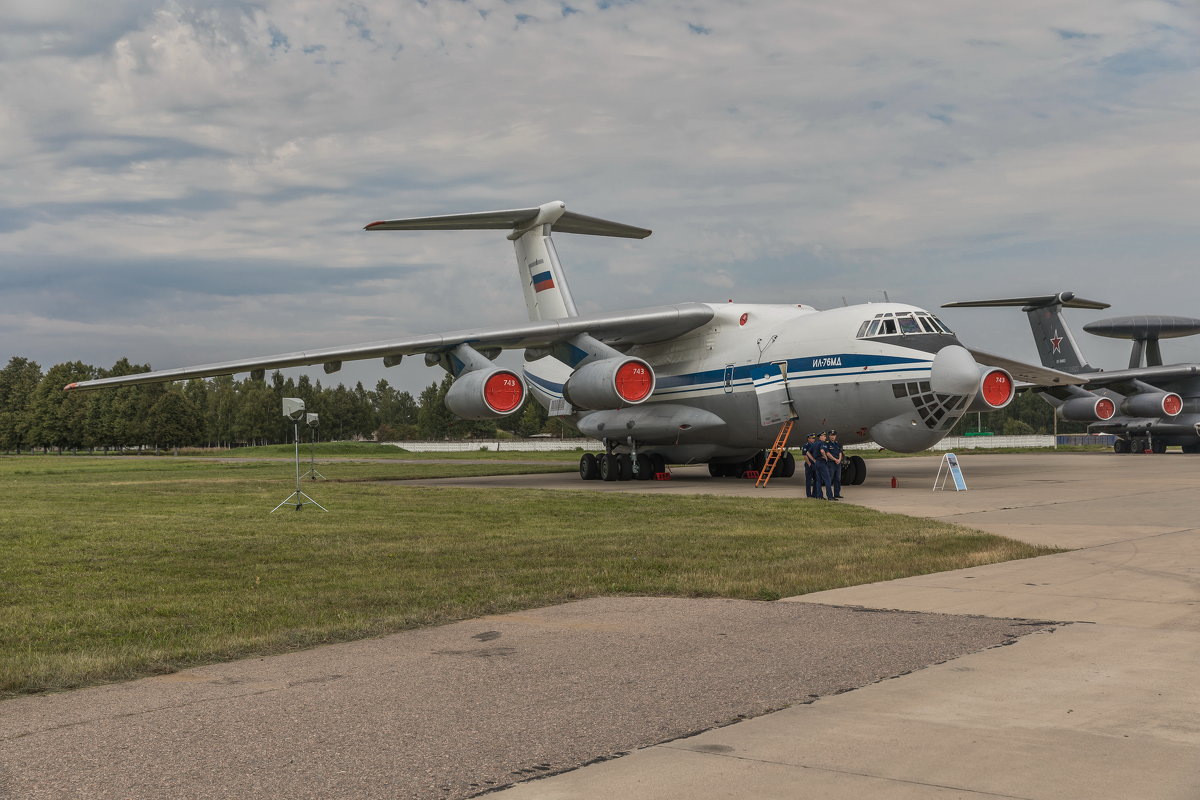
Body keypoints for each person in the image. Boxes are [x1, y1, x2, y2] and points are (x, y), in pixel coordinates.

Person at [814, 431, 835, 500]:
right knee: (827, 480)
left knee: (818, 480)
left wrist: (814, 460)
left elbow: (808, 452)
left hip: (817, 462)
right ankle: (830, 496)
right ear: (820, 437)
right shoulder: (823, 443)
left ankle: (819, 496)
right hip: (822, 463)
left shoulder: (815, 443)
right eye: (824, 436)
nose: (825, 437)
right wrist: (825, 457)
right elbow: (822, 451)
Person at [826, 430, 844, 499]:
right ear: (829, 436)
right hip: (831, 463)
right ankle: (830, 495)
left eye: (834, 435)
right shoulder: (827, 444)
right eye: (831, 435)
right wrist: (834, 459)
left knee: (838, 479)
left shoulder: (837, 444)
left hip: (837, 463)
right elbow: (827, 453)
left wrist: (839, 459)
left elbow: (840, 452)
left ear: (835, 436)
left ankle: (837, 494)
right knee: (830, 479)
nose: (832, 437)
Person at [801, 432, 818, 497]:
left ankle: (814, 494)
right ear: (808, 439)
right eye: (811, 438)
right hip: (809, 464)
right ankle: (809, 495)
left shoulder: (815, 445)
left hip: (815, 464)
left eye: (814, 438)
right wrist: (809, 463)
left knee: (816, 479)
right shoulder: (806, 445)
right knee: (808, 480)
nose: (813, 439)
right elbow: (805, 455)